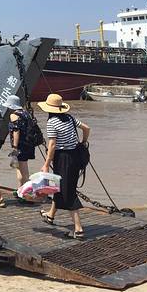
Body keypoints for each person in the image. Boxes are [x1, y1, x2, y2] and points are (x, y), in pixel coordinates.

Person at [38, 93, 90, 239]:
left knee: (68, 191)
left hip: (63, 159)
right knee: (60, 186)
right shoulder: (70, 118)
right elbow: (86, 128)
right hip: (74, 157)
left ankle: (78, 229)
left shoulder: (52, 122)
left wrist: (46, 164)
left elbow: (52, 145)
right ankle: (50, 215)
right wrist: (83, 142)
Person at [2, 95, 37, 198]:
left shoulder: (14, 115)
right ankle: (20, 190)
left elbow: (16, 131)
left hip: (20, 146)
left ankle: (29, 194)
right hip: (29, 145)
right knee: (19, 168)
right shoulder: (26, 113)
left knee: (24, 172)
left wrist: (15, 147)